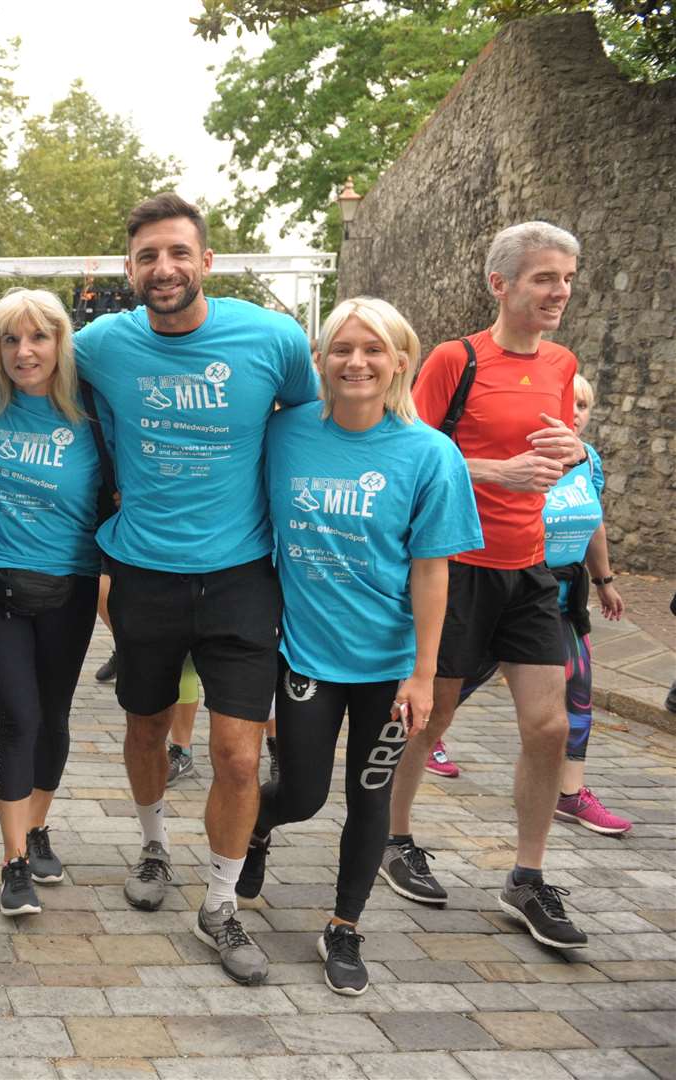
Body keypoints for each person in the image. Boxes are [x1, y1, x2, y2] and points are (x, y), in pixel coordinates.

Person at [74, 192, 318, 985]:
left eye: (178, 253)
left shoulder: (273, 337)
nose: (164, 268)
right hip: (143, 574)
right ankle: (152, 845)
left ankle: (220, 904)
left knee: (237, 756)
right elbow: (19, 372)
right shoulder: (102, 343)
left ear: (206, 260)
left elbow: (320, 429)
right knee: (145, 727)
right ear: (128, 269)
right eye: (147, 256)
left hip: (243, 576)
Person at [238, 298, 482, 995]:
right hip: (309, 656)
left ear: (399, 360)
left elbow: (433, 572)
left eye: (372, 349)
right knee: (304, 793)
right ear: (319, 361)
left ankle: (343, 927)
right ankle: (256, 830)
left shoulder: (429, 454)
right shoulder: (282, 435)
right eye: (340, 349)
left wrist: (423, 674)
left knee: (368, 797)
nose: (356, 362)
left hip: (389, 666)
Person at [382, 221, 592, 950]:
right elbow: (407, 448)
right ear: (500, 284)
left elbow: (557, 449)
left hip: (529, 571)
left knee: (549, 725)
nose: (558, 290)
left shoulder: (562, 363)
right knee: (431, 718)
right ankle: (394, 837)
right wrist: (493, 473)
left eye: (565, 277)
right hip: (457, 568)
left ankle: (526, 878)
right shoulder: (455, 359)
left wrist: (572, 452)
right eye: (543, 277)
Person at [0, 290, 103, 917]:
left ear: (61, 342)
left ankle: (38, 824)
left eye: (38, 338)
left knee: (53, 716)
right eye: (9, 339)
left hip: (70, 587)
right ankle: (13, 858)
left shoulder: (93, 413)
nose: (25, 352)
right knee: (18, 716)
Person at [454, 374, 630, 835]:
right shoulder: (521, 460)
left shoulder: (588, 461)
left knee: (578, 694)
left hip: (567, 598)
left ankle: (570, 793)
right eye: (565, 402)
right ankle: (422, 738)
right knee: (458, 684)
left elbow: (594, 522)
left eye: (584, 405)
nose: (574, 412)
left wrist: (604, 579)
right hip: (509, 587)